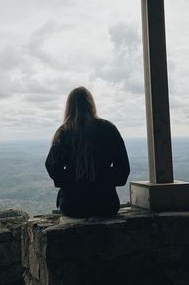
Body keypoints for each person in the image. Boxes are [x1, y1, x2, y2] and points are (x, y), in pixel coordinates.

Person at [45, 86, 130, 218]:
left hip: (73, 204)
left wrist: (73, 181)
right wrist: (102, 180)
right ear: (91, 104)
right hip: (106, 203)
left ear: (69, 106)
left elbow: (53, 167)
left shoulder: (63, 133)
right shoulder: (109, 129)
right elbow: (123, 169)